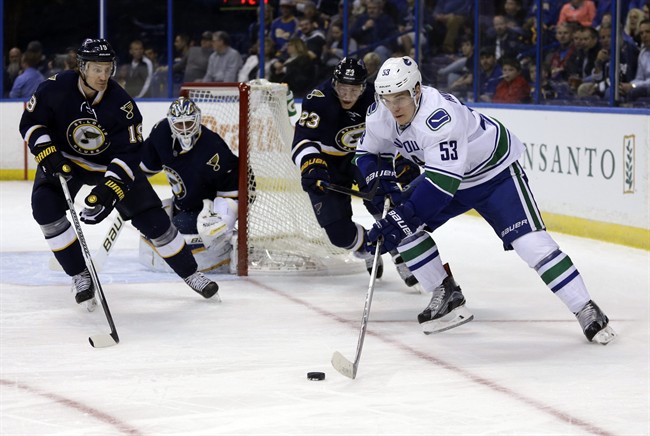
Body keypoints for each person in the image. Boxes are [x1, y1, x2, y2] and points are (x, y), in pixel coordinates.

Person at [354, 55, 616, 344]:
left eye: (400, 97)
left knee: (531, 245)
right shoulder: (381, 112)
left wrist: (402, 220)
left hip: (494, 174)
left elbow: (442, 185)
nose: (393, 107)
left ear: (416, 90)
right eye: (387, 98)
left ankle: (586, 308)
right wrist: (381, 182)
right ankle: (446, 294)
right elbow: (368, 152)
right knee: (402, 224)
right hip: (450, 176)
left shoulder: (439, 117)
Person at [18, 38, 220, 309]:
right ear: (81, 67)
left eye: (108, 69)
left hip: (109, 167)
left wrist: (107, 192)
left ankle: (191, 273)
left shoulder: (123, 106)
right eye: (96, 69)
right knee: (44, 207)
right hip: (65, 162)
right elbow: (32, 122)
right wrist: (47, 152)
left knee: (153, 221)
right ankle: (80, 275)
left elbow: (128, 155)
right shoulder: (55, 88)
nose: (103, 76)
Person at [290, 57, 417, 287]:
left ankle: (401, 253)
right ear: (334, 83)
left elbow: (394, 133)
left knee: (384, 199)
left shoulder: (377, 99)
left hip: (363, 157)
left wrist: (402, 159)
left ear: (364, 86)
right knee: (338, 234)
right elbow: (303, 138)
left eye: (354, 89)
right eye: (342, 88)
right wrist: (311, 164)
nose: (347, 95)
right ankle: (368, 248)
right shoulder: (318, 100)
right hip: (326, 163)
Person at [140, 97, 241, 273]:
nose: (185, 129)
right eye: (180, 124)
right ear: (171, 123)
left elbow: (234, 189)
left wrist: (224, 218)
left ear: (198, 120)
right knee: (152, 223)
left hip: (205, 209)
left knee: (178, 228)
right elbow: (144, 168)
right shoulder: (161, 133)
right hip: (181, 203)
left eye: (189, 123)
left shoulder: (213, 148)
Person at [620, 19, 650, 100]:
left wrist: (634, 86)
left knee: (635, 92)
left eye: (648, 32)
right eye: (641, 33)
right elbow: (639, 78)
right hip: (644, 87)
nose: (644, 35)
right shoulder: (643, 53)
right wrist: (628, 85)